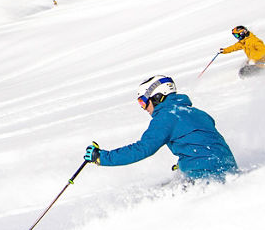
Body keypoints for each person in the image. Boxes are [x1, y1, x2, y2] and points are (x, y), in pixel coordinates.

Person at [84, 75, 238, 180]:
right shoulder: (197, 113)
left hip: (204, 176)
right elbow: (204, 143)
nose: (144, 108)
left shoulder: (166, 117)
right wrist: (183, 165)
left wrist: (101, 157)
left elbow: (143, 149)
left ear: (158, 97)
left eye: (143, 101)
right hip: (229, 168)